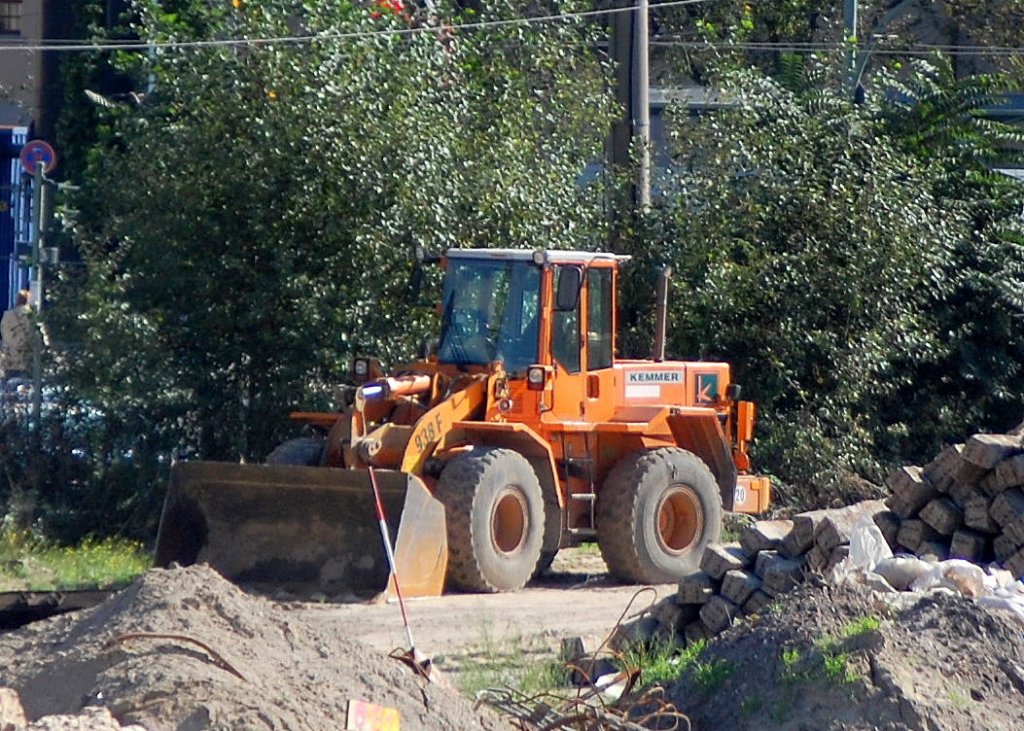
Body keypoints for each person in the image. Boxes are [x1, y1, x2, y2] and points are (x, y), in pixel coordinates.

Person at [1, 289, 36, 380]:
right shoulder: (33, 316)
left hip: (10, 361)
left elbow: (5, 335)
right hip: (28, 361)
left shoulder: (8, 315)